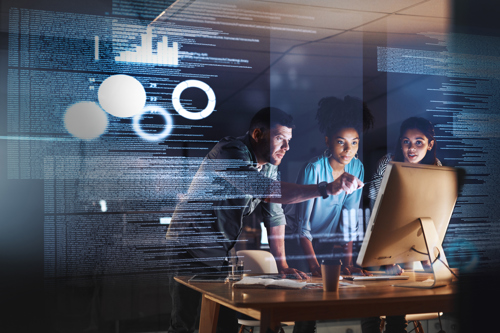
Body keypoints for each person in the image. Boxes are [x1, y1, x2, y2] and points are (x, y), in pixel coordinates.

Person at [166, 107, 364, 333]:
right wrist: (326, 188)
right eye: (280, 138)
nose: (286, 147)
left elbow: (275, 214)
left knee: (223, 324)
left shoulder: (269, 167)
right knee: (185, 325)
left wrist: (283, 265)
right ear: (257, 135)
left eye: (289, 140)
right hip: (188, 246)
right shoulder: (229, 151)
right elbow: (267, 191)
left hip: (218, 250)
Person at [284, 96, 373, 333]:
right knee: (308, 312)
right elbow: (302, 228)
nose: (348, 150)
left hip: (324, 244)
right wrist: (314, 267)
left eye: (354, 143)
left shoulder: (357, 167)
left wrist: (349, 262)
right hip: (298, 245)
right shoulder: (314, 168)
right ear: (327, 141)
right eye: (341, 142)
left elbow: (349, 221)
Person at [361, 116, 441, 333]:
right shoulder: (388, 163)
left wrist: (428, 254)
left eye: (418, 142)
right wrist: (384, 257)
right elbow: (373, 210)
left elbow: (432, 215)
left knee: (397, 316)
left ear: (430, 144)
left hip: (409, 244)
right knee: (372, 312)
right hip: (378, 239)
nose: (411, 148)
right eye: (406, 141)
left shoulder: (436, 168)